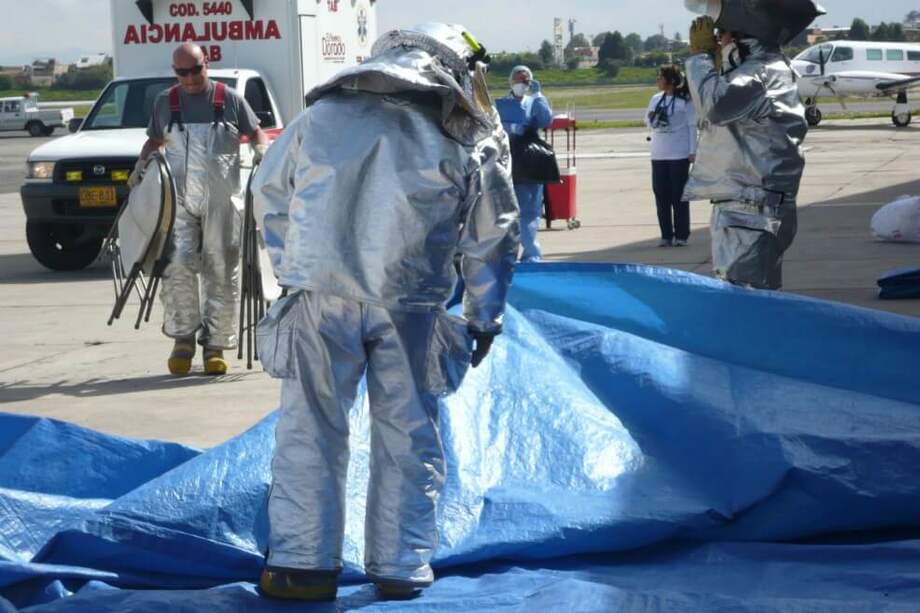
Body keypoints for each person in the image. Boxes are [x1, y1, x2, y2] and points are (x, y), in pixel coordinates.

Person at [252, 23, 519, 601]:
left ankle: (303, 565)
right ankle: (400, 566)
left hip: (320, 298)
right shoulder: (463, 135)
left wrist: (295, 270)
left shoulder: (320, 119)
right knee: (409, 435)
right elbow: (493, 235)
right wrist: (482, 316)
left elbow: (269, 192)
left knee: (310, 429)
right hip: (413, 306)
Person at [131, 43, 269, 375]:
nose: (191, 78)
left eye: (196, 69)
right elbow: (155, 140)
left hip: (223, 205)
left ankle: (215, 345)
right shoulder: (166, 102)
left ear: (207, 63)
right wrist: (141, 165)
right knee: (177, 266)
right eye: (183, 72)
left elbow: (255, 132)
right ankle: (182, 339)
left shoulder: (230, 99)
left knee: (221, 270)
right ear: (174, 72)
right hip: (178, 203)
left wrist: (263, 151)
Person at [682, 0, 824, 289]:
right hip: (751, 206)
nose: (716, 41)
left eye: (720, 35)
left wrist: (699, 59)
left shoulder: (760, 73)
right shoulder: (767, 69)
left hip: (751, 209)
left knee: (743, 307)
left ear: (740, 38)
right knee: (751, 302)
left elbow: (715, 105)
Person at [495, 65, 554, 263]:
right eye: (519, 80)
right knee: (507, 209)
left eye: (526, 81)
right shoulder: (501, 104)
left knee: (530, 209)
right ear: (511, 81)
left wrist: (539, 96)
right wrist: (510, 127)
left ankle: (531, 253)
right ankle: (508, 252)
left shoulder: (534, 102)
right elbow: (493, 127)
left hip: (530, 161)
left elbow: (546, 120)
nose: (522, 84)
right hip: (508, 160)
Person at [646, 65, 697, 248]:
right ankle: (666, 234)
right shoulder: (655, 99)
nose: (658, 81)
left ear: (671, 80)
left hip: (679, 154)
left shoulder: (685, 101)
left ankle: (681, 234)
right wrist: (654, 117)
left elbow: (692, 127)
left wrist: (693, 151)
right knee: (661, 195)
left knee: (679, 196)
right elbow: (647, 121)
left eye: (660, 77)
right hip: (659, 154)